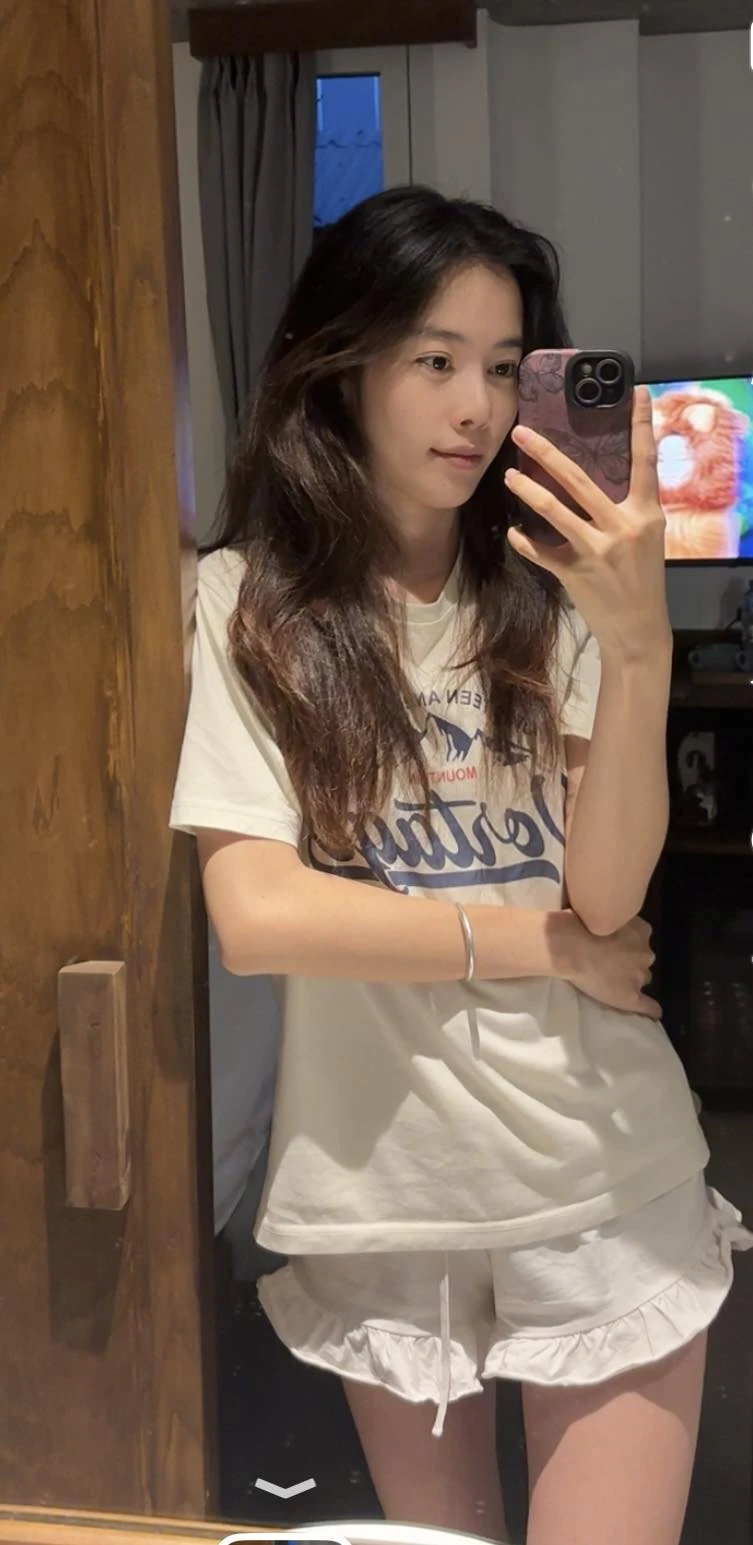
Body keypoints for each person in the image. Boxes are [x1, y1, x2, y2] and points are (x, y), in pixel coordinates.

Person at [169, 186, 751, 1545]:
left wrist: (643, 644)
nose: (475, 408)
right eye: (434, 359)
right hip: (385, 1196)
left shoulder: (554, 597)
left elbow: (608, 896)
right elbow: (257, 913)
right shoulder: (245, 606)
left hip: (600, 1172)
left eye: (503, 368)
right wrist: (538, 946)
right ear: (340, 364)